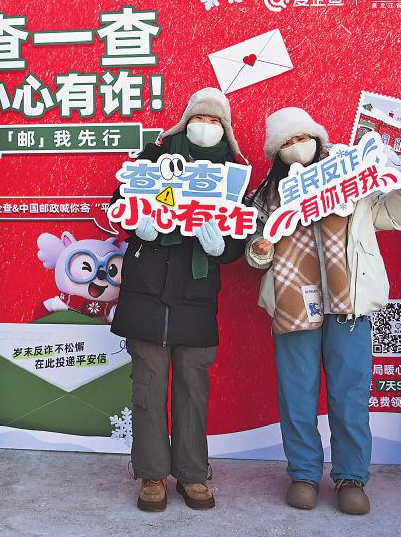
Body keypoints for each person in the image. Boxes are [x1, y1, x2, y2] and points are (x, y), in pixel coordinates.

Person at [245, 107, 401, 516]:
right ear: (276, 152)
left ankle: (351, 478)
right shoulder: (267, 194)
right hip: (293, 304)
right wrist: (259, 251)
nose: (297, 147)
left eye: (302, 138)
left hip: (350, 303)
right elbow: (255, 251)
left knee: (350, 395)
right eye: (287, 143)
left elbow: (386, 214)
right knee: (296, 394)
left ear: (317, 138)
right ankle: (303, 474)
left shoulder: (350, 175)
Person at [110, 88, 248, 513]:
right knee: (148, 388)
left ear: (225, 129)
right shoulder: (154, 158)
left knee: (193, 388)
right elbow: (118, 204)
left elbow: (240, 234)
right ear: (184, 122)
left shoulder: (233, 174)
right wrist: (140, 224)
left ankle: (192, 474)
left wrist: (219, 246)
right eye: (199, 118)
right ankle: (151, 474)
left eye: (214, 120)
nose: (205, 126)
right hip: (146, 294)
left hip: (197, 297)